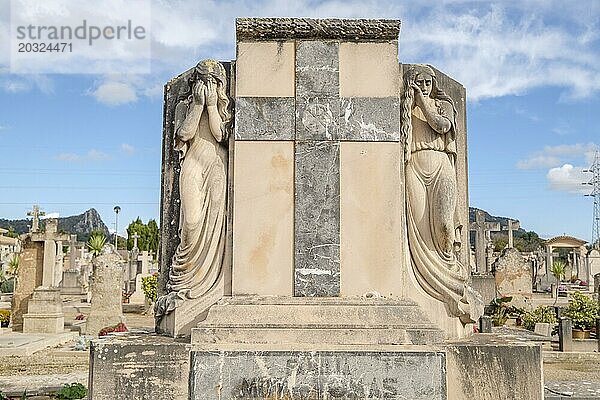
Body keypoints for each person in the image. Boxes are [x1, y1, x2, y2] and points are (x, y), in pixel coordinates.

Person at [401, 64, 480, 323]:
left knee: (444, 225)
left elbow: (441, 126)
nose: (423, 86)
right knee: (420, 229)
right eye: (419, 81)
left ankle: (449, 272)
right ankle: (428, 276)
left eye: (427, 82)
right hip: (414, 167)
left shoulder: (442, 106)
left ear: (433, 84)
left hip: (440, 167)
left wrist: (422, 102)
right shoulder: (404, 109)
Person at [168, 59, 231, 301]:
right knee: (192, 223)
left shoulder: (224, 108)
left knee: (215, 223)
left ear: (219, 85)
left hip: (216, 166)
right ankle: (187, 277)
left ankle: (210, 278)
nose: (206, 86)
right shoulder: (184, 106)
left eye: (212, 82)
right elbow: (184, 133)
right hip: (193, 165)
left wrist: (213, 107)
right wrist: (197, 105)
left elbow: (219, 134)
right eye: (202, 81)